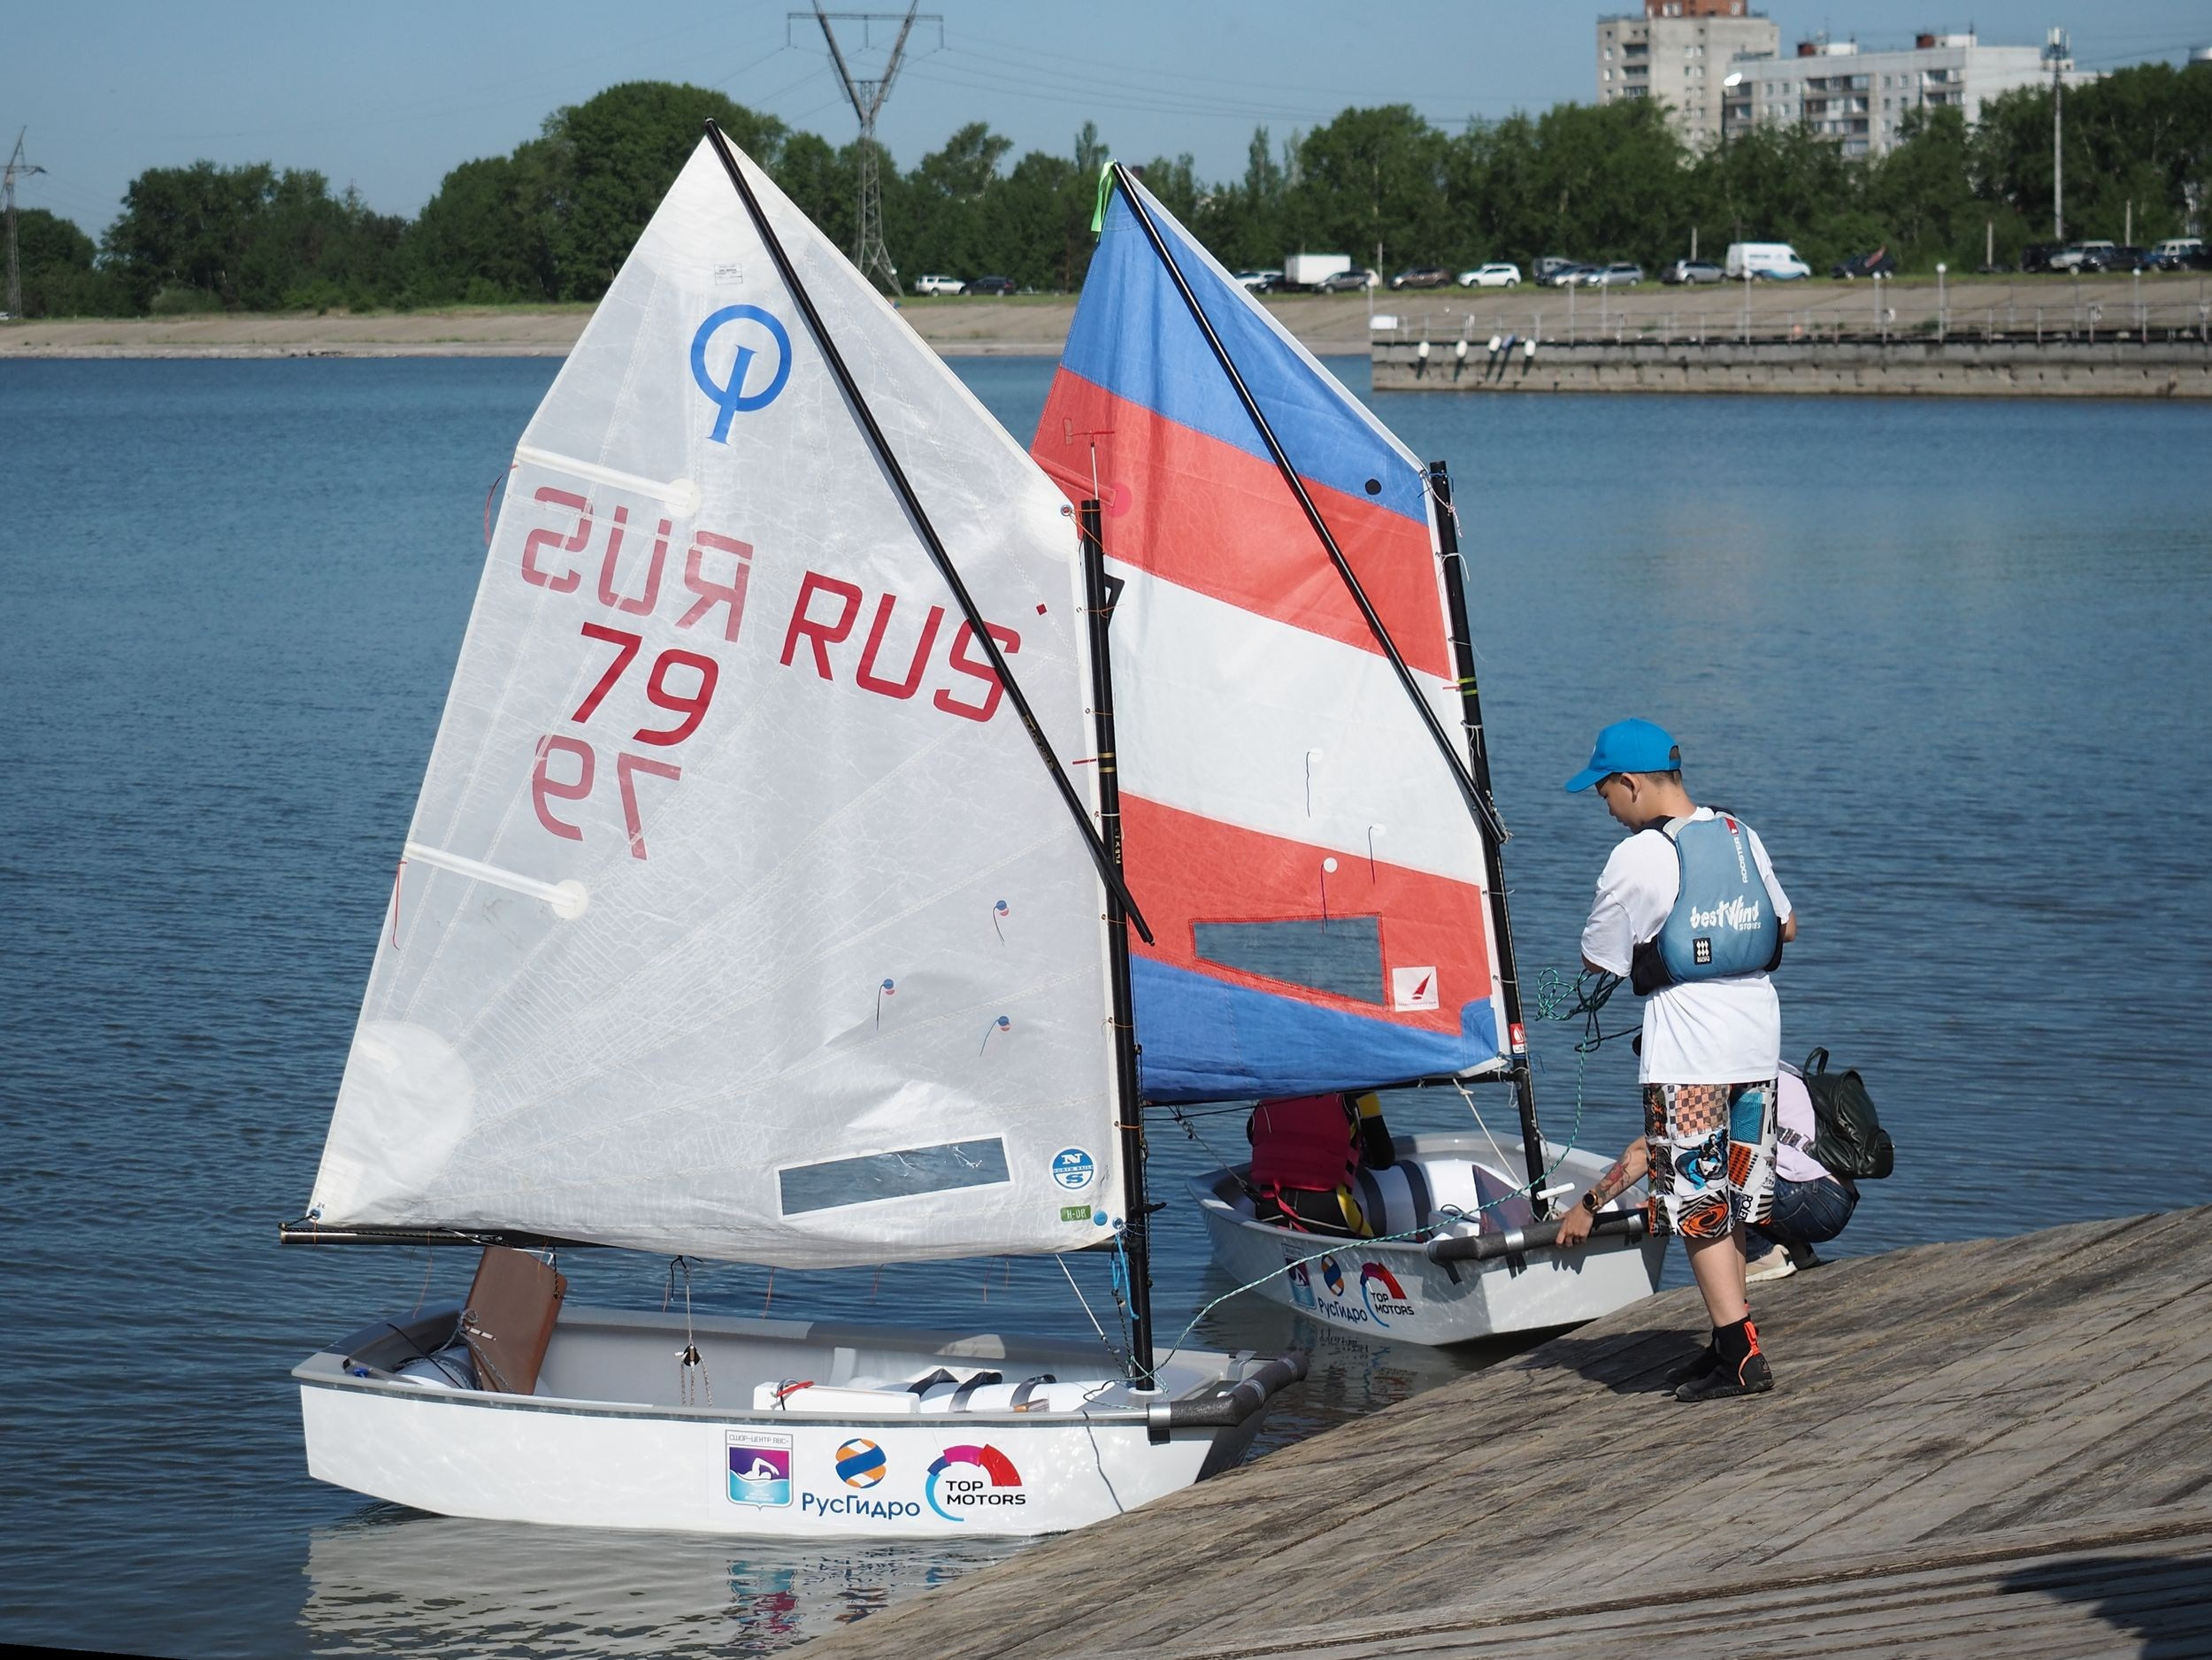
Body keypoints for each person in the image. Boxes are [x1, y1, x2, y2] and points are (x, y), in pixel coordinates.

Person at [1554, 718, 1797, 1402]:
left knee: (1696, 1203)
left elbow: (1598, 956)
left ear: (1632, 783)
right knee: (1734, 1198)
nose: (1604, 804)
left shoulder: (1637, 856)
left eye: (1604, 790)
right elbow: (1786, 925)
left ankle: (1739, 1357)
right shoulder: (1738, 834)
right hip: (1757, 1042)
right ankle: (1728, 1343)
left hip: (1689, 1052)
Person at [1742, 1064, 1858, 1281]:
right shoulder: (1778, 1068)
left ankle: (1760, 1255)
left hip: (1810, 1198)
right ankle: (1795, 1249)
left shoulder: (1740, 1075)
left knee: (1704, 1172)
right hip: (1839, 1194)